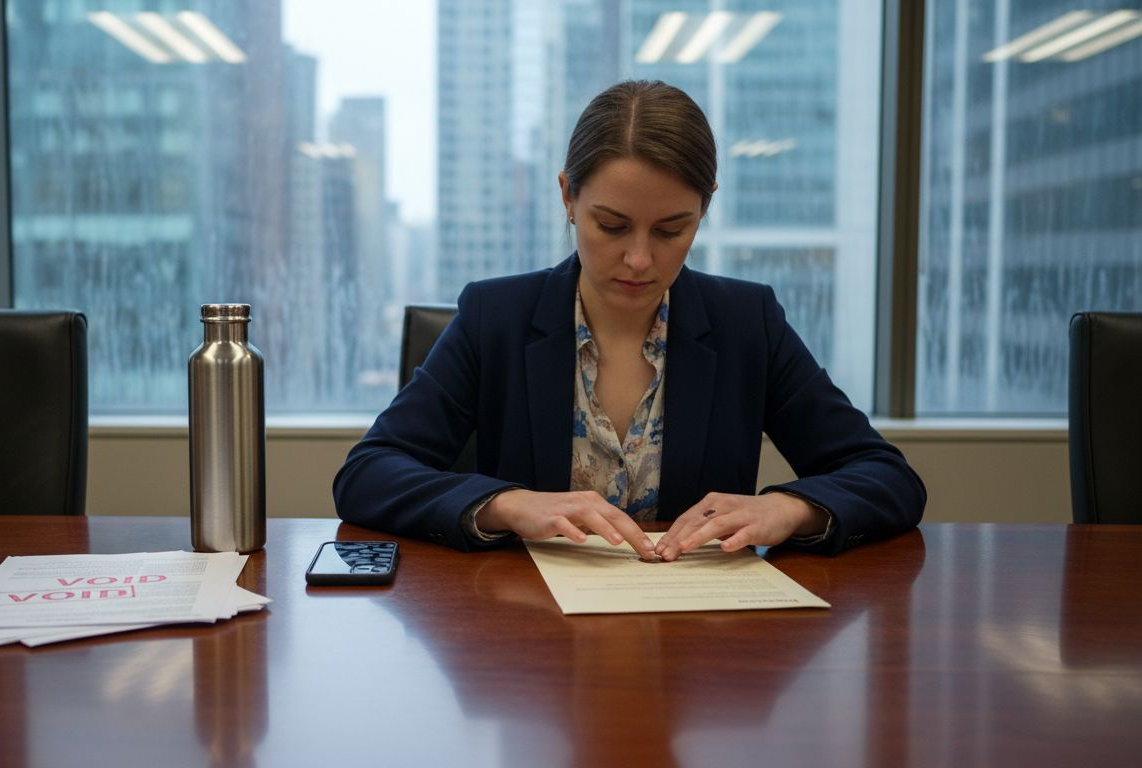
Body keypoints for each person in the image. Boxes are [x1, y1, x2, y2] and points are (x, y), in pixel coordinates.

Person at [334, 80, 925, 559]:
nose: (640, 259)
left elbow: (887, 477)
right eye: (611, 225)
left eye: (672, 229)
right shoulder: (496, 318)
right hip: (527, 642)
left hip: (698, 648)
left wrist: (790, 508)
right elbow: (367, 473)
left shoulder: (748, 322)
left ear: (705, 208)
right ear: (568, 197)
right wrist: (507, 503)